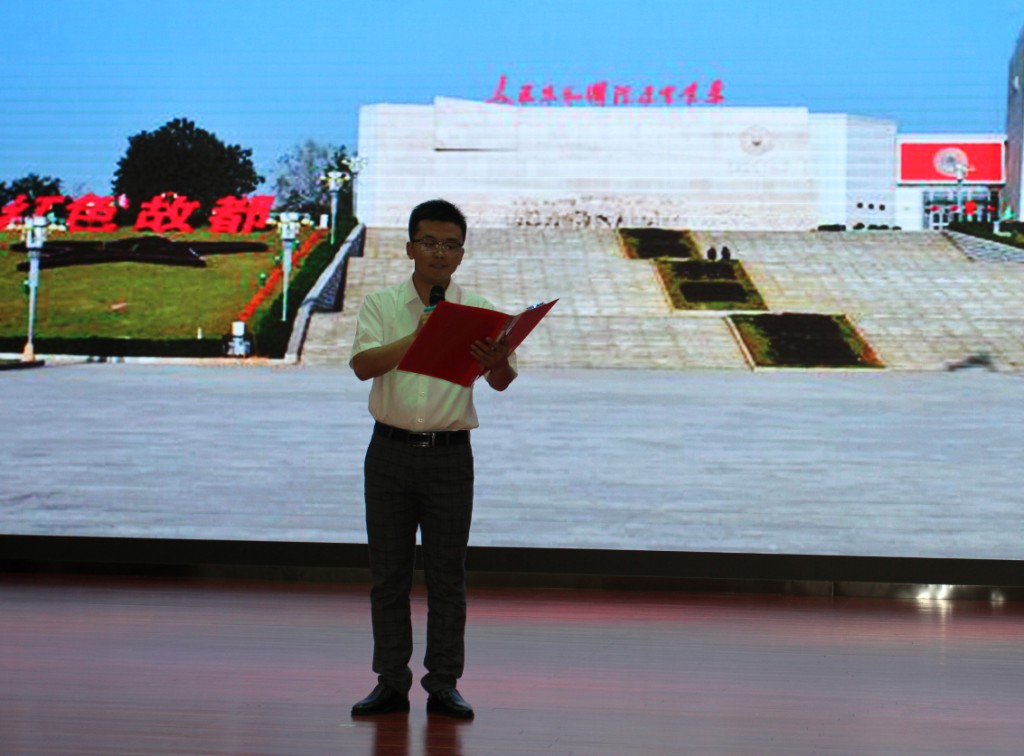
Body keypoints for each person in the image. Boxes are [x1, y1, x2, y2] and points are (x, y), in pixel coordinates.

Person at [349, 199, 517, 719]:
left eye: (449, 244)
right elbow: (362, 366)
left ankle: (443, 683)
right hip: (389, 453)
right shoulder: (381, 304)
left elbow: (503, 380)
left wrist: (497, 363)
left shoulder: (480, 311)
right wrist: (418, 336)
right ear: (410, 248)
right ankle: (390, 682)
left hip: (449, 458)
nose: (438, 253)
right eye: (428, 242)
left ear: (461, 254)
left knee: (447, 577)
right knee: (389, 576)